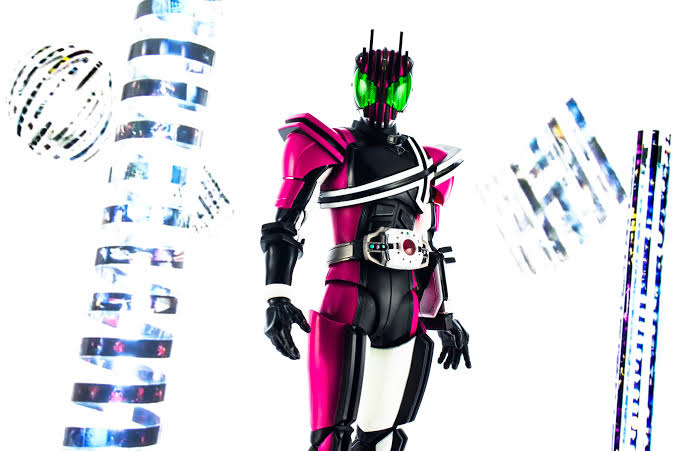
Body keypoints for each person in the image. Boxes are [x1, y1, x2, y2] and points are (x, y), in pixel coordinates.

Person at [261, 30, 471, 451]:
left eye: (393, 89)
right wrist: (277, 294)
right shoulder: (329, 144)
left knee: (385, 439)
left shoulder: (425, 161)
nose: (383, 98)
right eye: (374, 87)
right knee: (331, 440)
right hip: (349, 297)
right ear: (359, 86)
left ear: (405, 91)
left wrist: (443, 313)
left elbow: (425, 244)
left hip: (405, 306)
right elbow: (283, 225)